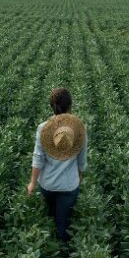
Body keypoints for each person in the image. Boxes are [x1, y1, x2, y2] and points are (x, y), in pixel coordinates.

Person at [26, 88, 88, 243]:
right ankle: (63, 251)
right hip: (68, 186)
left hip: (48, 184)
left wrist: (32, 183)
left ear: (52, 106)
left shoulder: (43, 128)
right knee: (63, 222)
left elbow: (38, 157)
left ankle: (48, 249)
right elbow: (82, 159)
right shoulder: (79, 129)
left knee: (51, 214)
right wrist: (80, 177)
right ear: (70, 106)